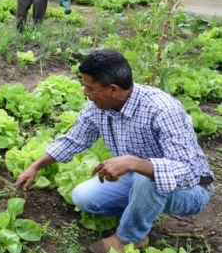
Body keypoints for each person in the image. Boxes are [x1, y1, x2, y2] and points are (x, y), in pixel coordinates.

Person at [15, 49, 214, 253]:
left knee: (147, 179)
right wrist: (35, 166)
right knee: (84, 197)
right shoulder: (98, 107)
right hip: (138, 179)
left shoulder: (162, 109)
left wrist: (133, 163)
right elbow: (74, 139)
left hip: (191, 189)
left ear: (112, 89)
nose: (85, 93)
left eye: (89, 88)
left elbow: (187, 170)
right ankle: (142, 210)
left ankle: (129, 238)